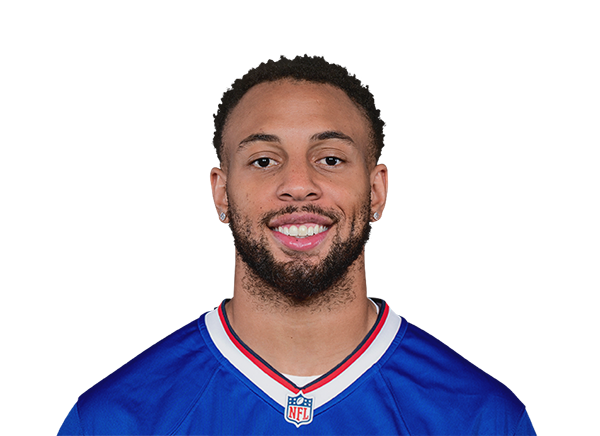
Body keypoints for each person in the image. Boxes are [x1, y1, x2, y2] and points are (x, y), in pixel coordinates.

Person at [59, 55, 536, 435]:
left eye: (330, 159)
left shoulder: (479, 418)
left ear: (376, 191)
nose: (298, 185)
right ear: (222, 192)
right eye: (264, 161)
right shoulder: (115, 419)